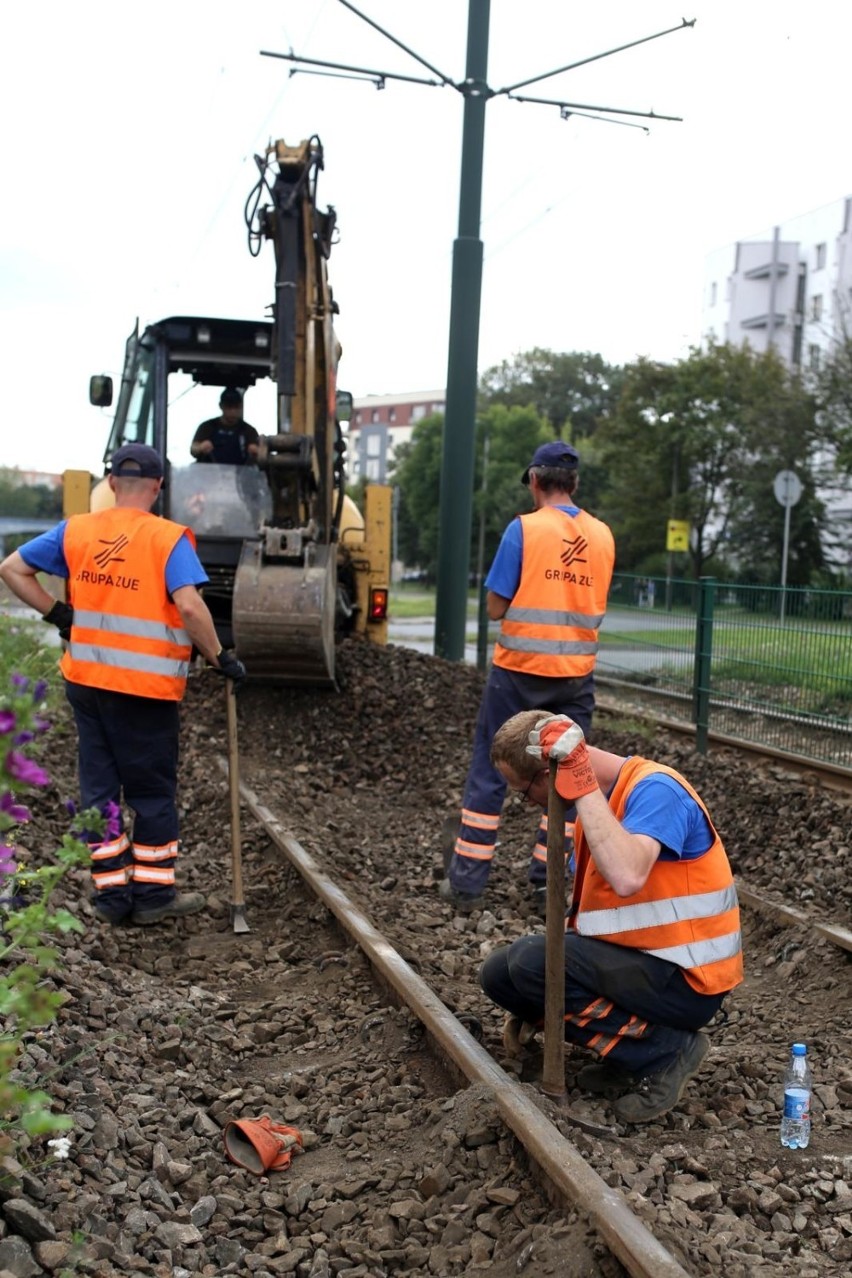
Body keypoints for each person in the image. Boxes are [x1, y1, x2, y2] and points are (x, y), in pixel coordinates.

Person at [0, 443, 246, 927]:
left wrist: (58, 613)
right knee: (151, 793)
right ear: (158, 487)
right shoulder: (167, 538)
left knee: (99, 791)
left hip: (87, 684)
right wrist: (220, 658)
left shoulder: (77, 530)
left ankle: (111, 896)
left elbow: (11, 569)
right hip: (144, 691)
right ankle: (153, 897)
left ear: (111, 483)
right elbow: (191, 608)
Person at [481, 710, 744, 1124]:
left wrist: (580, 778)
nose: (528, 802)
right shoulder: (598, 807)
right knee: (500, 974)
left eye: (524, 790)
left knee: (532, 961)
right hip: (640, 967)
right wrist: (535, 1004)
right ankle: (627, 1054)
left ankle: (665, 1051)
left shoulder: (657, 790)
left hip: (687, 981)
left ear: (548, 774)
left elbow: (627, 876)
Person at [439, 440, 615, 912]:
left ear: (535, 481)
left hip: (517, 675)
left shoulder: (523, 530)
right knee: (572, 774)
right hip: (576, 676)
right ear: (574, 484)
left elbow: (496, 606)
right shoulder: (602, 536)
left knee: (491, 769)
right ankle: (548, 884)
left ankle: (468, 886)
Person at [190, 388, 259, 465]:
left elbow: (260, 454)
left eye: (236, 407)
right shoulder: (207, 427)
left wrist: (256, 451)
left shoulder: (248, 430)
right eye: (229, 407)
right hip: (209, 474)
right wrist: (200, 447)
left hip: (240, 474)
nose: (233, 411)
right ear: (221, 406)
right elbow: (193, 450)